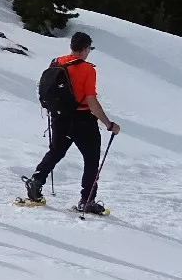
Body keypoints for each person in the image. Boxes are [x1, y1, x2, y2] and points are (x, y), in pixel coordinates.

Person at [23, 32, 120, 214]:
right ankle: (87, 200)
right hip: (83, 120)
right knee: (91, 159)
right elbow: (91, 101)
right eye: (89, 49)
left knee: (56, 152)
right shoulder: (87, 69)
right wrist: (108, 124)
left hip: (60, 117)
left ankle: (36, 183)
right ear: (85, 49)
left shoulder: (57, 62)